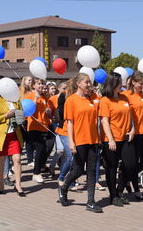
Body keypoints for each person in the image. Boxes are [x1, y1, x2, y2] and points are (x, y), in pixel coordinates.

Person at [58, 73, 102, 213]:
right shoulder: (71, 100)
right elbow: (69, 123)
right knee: (78, 170)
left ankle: (90, 202)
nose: (89, 85)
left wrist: (95, 92)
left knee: (91, 171)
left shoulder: (92, 98)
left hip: (93, 140)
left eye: (90, 82)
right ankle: (64, 188)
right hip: (79, 140)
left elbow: (101, 106)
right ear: (78, 84)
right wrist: (71, 142)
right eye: (87, 82)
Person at [99, 72, 136, 206]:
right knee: (111, 168)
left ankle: (120, 191)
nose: (122, 85)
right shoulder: (105, 100)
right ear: (113, 84)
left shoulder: (124, 98)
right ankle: (113, 196)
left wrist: (132, 129)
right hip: (112, 139)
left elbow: (130, 116)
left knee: (130, 165)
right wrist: (110, 139)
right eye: (120, 82)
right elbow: (104, 121)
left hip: (126, 137)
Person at [121, 71, 143, 201]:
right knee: (132, 164)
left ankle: (125, 177)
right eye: (140, 83)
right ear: (133, 82)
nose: (142, 86)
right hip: (133, 134)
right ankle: (136, 191)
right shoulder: (125, 95)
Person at [0, 92, 26, 196]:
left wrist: (20, 116)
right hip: (2, 135)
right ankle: (1, 183)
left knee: (18, 159)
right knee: (1, 160)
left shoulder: (17, 101)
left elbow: (22, 114)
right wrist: (6, 115)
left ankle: (18, 185)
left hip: (15, 135)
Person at [25, 79, 53, 183]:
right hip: (34, 126)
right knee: (40, 148)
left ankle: (37, 170)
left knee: (44, 149)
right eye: (39, 84)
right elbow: (27, 110)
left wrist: (48, 112)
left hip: (44, 126)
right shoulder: (30, 96)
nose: (41, 85)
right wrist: (35, 99)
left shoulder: (45, 97)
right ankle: (36, 173)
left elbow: (48, 113)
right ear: (33, 86)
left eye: (43, 83)